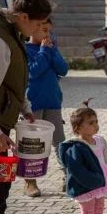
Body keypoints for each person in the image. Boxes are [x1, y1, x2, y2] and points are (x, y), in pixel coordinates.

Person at [0, 0, 52, 214]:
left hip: (2, 122)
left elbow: (11, 81)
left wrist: (25, 109)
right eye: (39, 25)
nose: (39, 31)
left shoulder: (11, 32)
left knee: (1, 183)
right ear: (24, 17)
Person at [57, 101, 107, 214]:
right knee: (87, 211)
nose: (95, 125)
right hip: (85, 186)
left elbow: (106, 159)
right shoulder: (76, 147)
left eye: (96, 121)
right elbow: (76, 169)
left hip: (99, 182)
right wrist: (90, 181)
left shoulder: (99, 141)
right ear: (78, 128)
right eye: (91, 123)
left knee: (99, 208)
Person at [24, 17, 69, 197]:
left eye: (49, 30)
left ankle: (68, 176)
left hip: (53, 102)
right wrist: (43, 51)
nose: (47, 34)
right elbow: (33, 72)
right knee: (32, 143)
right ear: (32, 29)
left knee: (59, 141)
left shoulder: (50, 49)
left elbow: (63, 69)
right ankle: (30, 182)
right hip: (32, 104)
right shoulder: (26, 50)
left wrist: (53, 51)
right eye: (43, 30)